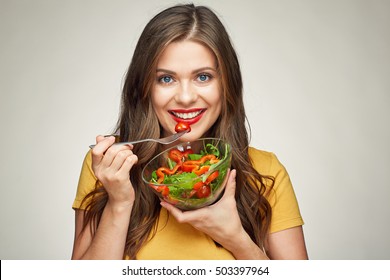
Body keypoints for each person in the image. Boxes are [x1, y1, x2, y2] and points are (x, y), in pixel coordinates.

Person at [71, 3, 308, 260]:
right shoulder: (110, 166)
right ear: (144, 88)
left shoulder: (266, 171)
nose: (185, 97)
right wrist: (118, 203)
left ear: (227, 84)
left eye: (203, 77)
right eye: (166, 78)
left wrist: (236, 239)